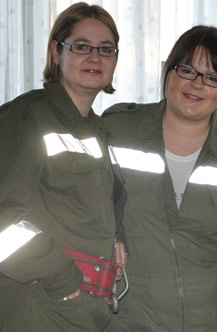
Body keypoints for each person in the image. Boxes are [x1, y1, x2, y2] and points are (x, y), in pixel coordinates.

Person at [102, 25, 217, 331]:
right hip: (136, 318)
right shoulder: (118, 131)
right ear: (169, 70)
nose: (197, 85)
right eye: (187, 70)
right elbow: (85, 202)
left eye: (212, 77)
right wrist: (110, 236)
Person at [0, 3, 127, 331]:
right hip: (40, 305)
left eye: (106, 49)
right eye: (81, 47)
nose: (95, 58)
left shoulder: (97, 130)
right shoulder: (26, 118)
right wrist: (63, 281)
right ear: (57, 52)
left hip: (85, 308)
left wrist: (117, 238)